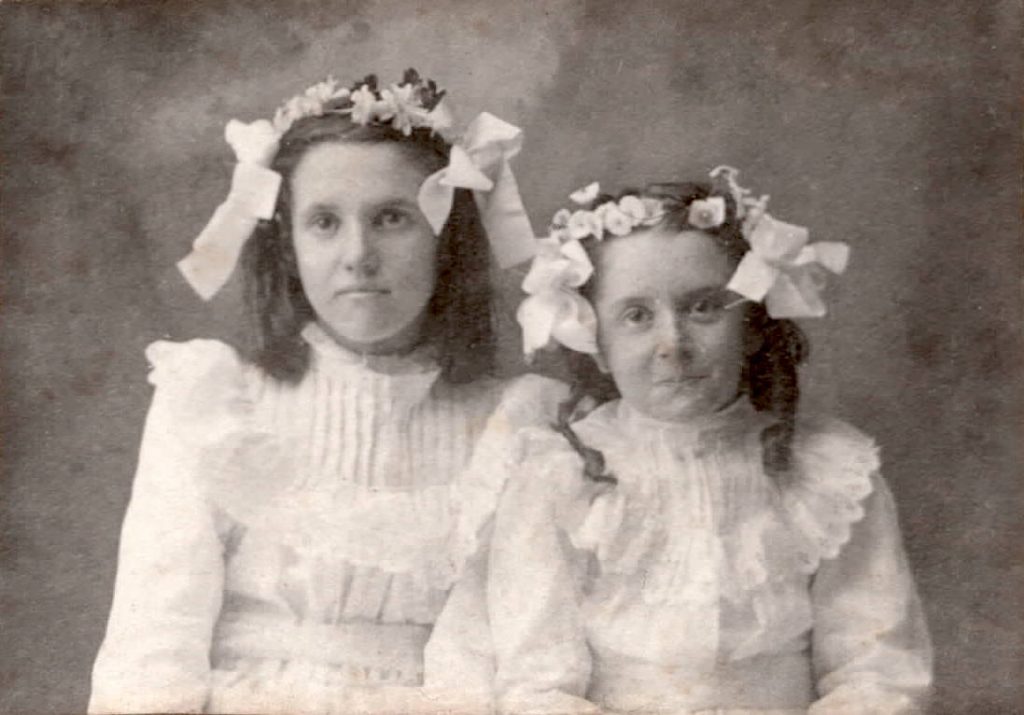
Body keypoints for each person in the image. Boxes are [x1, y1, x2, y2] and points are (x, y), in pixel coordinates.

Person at [89, 69, 564, 714]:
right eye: (324, 223)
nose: (358, 254)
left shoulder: (513, 421)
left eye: (392, 218)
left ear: (445, 239)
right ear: (286, 247)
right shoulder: (216, 403)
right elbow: (152, 650)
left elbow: (503, 653)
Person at [487, 169, 933, 714]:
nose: (673, 343)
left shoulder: (829, 471)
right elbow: (538, 686)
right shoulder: (559, 477)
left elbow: (879, 672)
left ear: (751, 325)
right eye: (636, 316)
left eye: (703, 307)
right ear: (595, 344)